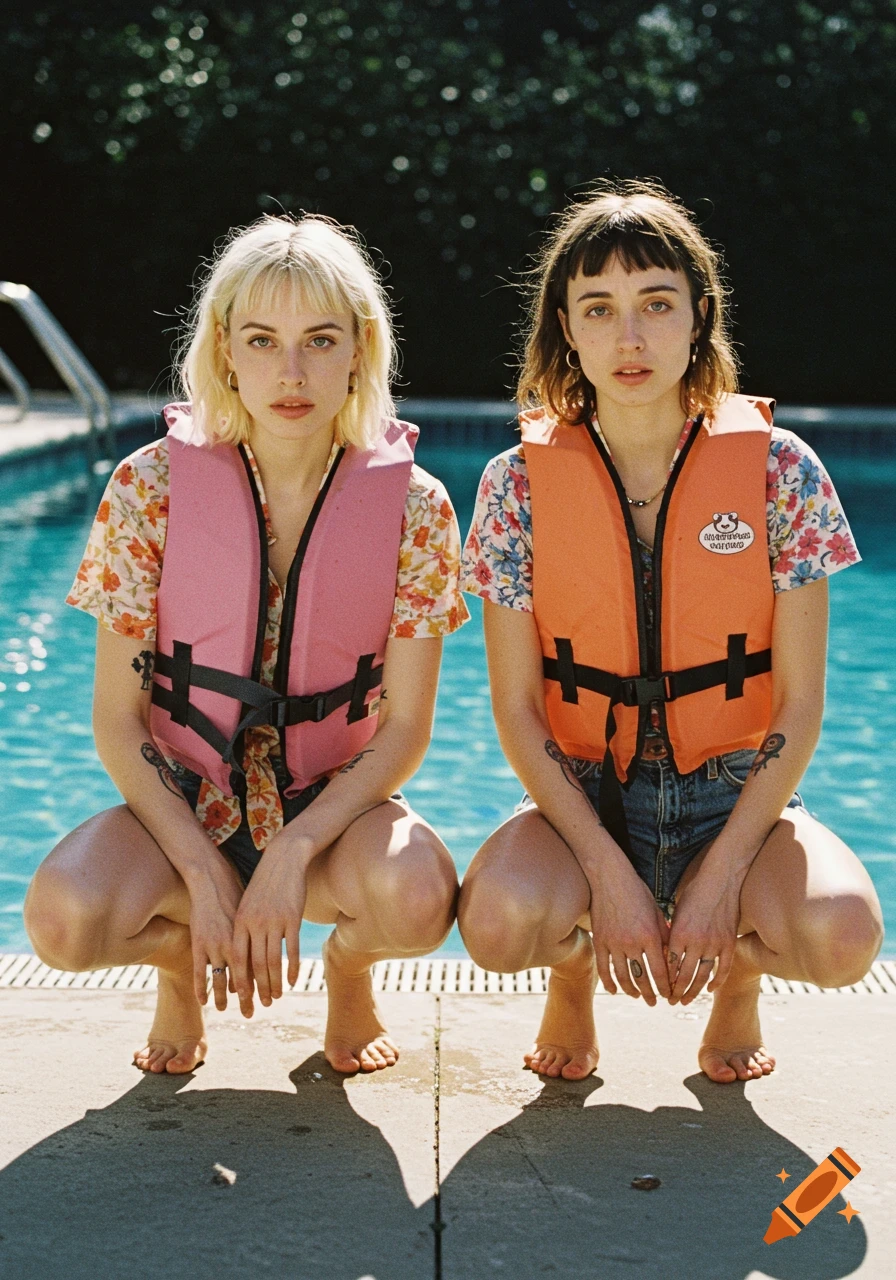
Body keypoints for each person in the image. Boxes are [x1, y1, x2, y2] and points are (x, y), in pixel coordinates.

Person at [458, 179, 883, 1083]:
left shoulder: (781, 472)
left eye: (656, 304)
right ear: (566, 329)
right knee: (496, 928)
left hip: (737, 793)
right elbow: (518, 709)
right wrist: (608, 877)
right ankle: (570, 979)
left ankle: (739, 983)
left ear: (701, 315)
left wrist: (723, 876)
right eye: (599, 310)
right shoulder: (513, 485)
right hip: (587, 787)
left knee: (843, 941)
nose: (631, 337)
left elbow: (802, 702)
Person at [24, 214, 468, 1074]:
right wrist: (199, 868)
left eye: (319, 340)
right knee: (64, 923)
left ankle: (348, 973)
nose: (291, 372)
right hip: (186, 800)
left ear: (360, 350)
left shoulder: (417, 507)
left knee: (416, 903)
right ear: (225, 349)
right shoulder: (147, 488)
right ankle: (179, 963)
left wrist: (296, 849)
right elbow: (119, 722)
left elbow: (406, 729)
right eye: (263, 340)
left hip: (330, 807)